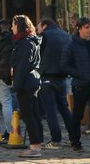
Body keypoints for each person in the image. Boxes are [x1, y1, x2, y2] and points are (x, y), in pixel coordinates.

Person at [36, 18, 73, 150]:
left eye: (38, 27)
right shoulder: (66, 35)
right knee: (64, 108)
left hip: (47, 76)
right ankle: (73, 137)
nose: (37, 30)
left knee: (50, 109)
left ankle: (56, 139)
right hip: (62, 77)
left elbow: (36, 55)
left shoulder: (44, 36)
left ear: (45, 26)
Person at [10, 15, 44, 158]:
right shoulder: (30, 41)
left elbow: (23, 66)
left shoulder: (24, 42)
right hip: (32, 80)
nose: (12, 28)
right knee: (33, 114)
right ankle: (37, 143)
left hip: (26, 83)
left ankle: (35, 146)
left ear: (19, 26)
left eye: (13, 24)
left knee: (28, 115)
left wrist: (16, 86)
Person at [60, 15, 90, 153]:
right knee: (77, 115)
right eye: (87, 27)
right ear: (79, 29)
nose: (89, 30)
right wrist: (79, 73)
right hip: (80, 84)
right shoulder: (71, 44)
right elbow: (64, 65)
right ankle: (75, 141)